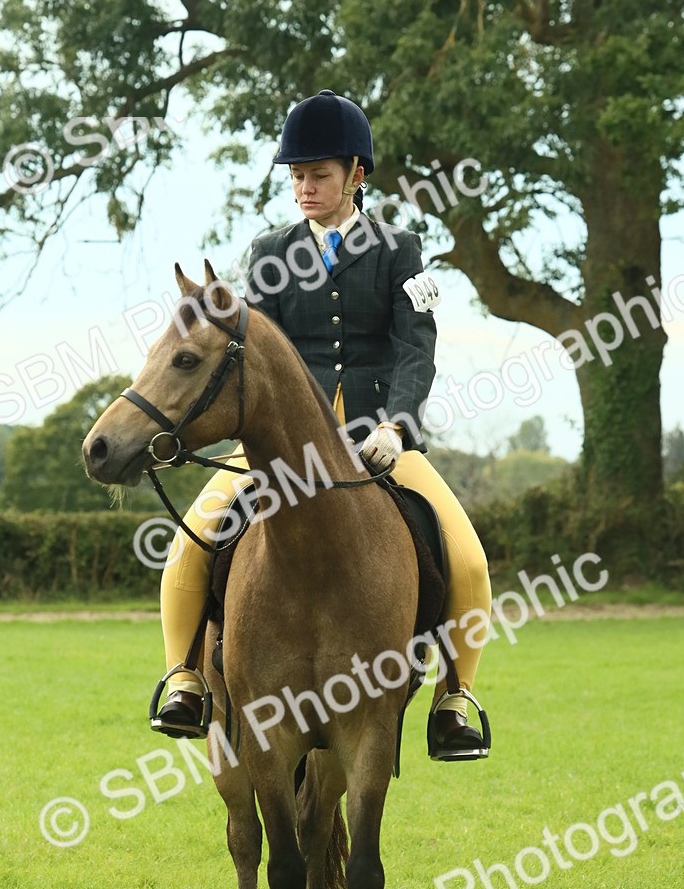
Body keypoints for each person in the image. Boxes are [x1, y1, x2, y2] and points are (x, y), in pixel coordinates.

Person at [154, 89, 492, 761]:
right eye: (297, 178)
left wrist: (396, 425)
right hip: (282, 447)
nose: (305, 189)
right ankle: (186, 675)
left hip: (381, 441)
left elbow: (414, 349)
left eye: (319, 177)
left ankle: (453, 695)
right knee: (188, 548)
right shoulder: (270, 251)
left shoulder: (402, 250)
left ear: (355, 176)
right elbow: (254, 354)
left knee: (470, 562)